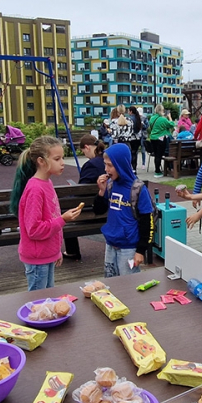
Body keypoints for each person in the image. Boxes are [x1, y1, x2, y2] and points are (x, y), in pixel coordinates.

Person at [9, 136, 83, 291]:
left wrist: (55, 251)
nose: (62, 163)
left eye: (62, 158)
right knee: (39, 300)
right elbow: (34, 229)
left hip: (45, 254)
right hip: (38, 257)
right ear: (41, 161)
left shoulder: (46, 182)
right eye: (57, 159)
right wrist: (63, 219)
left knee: (48, 297)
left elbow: (50, 218)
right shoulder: (35, 189)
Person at [93, 143, 154, 277]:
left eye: (110, 165)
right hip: (111, 244)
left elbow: (147, 222)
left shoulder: (138, 188)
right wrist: (101, 192)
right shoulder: (110, 184)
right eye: (105, 165)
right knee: (110, 282)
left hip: (129, 248)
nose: (106, 169)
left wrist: (140, 251)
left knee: (128, 284)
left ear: (121, 165)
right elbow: (98, 210)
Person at [63, 135, 107, 260]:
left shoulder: (91, 165)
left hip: (94, 209)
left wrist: (70, 195)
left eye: (83, 152)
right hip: (112, 206)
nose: (85, 155)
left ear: (87, 147)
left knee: (66, 207)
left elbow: (81, 191)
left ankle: (72, 251)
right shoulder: (108, 160)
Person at [148, 104, 176, 178]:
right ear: (162, 110)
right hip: (160, 138)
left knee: (156, 155)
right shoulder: (163, 119)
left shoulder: (152, 118)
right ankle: (157, 172)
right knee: (159, 155)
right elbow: (171, 124)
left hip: (153, 138)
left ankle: (157, 169)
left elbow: (150, 127)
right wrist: (170, 117)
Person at [127, 106, 143, 172]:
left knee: (131, 153)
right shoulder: (138, 118)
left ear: (131, 111)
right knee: (135, 153)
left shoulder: (129, 119)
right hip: (137, 138)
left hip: (131, 138)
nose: (128, 112)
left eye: (128, 111)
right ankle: (134, 168)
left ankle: (131, 168)